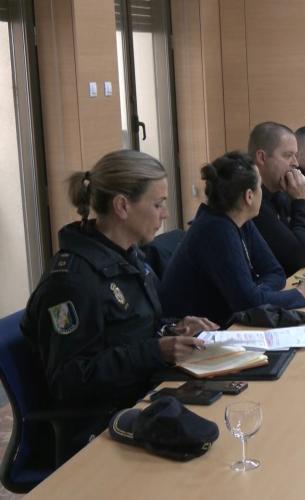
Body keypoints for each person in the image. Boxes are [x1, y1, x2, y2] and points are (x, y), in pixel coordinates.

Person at [21, 150, 215, 461]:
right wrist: (156, 350)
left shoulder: (128, 256)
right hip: (99, 426)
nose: (165, 213)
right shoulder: (71, 283)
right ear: (122, 206)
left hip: (141, 396)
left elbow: (130, 328)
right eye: (157, 203)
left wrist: (172, 329)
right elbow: (68, 379)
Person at [159, 151, 305, 326]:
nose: (262, 192)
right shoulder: (215, 229)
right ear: (249, 196)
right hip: (198, 336)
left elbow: (275, 272)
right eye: (260, 187)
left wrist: (256, 292)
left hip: (227, 324)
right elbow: (247, 303)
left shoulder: (240, 220)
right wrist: (299, 295)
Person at [248, 122, 305, 276]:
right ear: (262, 157)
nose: (296, 163)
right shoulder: (252, 202)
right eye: (288, 155)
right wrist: (301, 201)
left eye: (295, 155)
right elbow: (298, 258)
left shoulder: (281, 191)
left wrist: (302, 248)